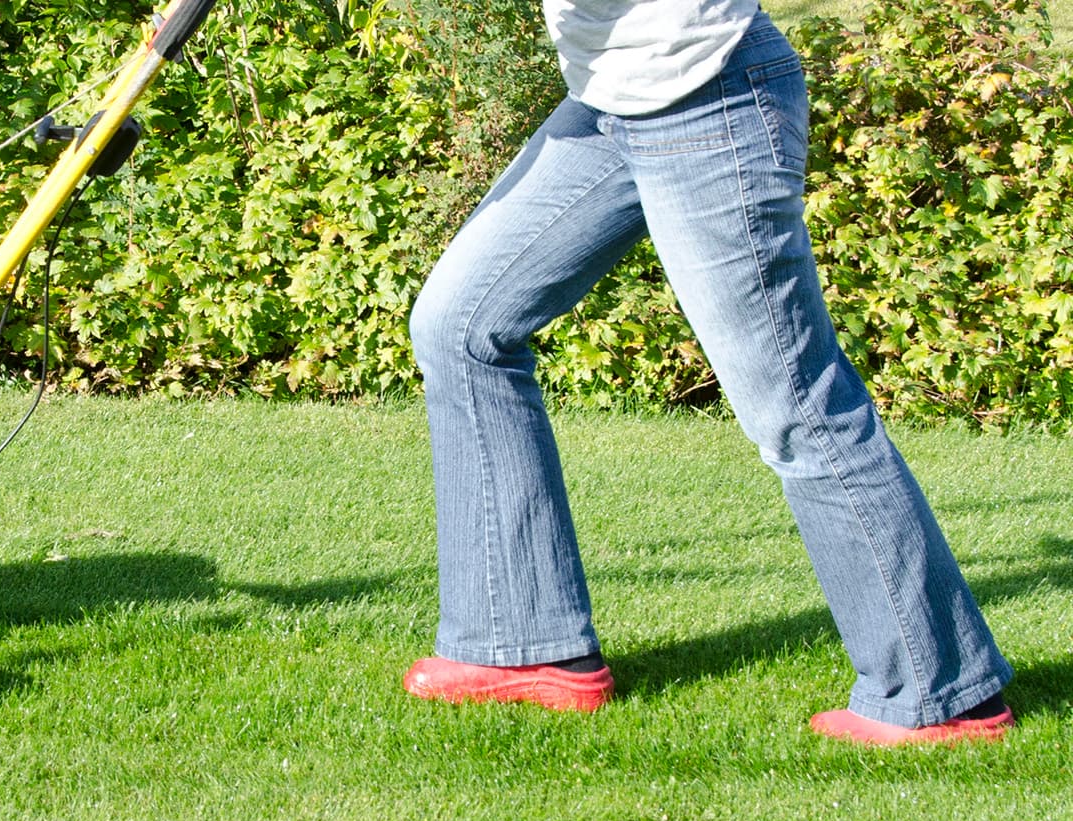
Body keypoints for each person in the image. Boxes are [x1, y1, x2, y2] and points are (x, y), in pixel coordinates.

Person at [401, 0, 1013, 745]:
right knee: (461, 326)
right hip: (609, 99)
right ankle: (522, 644)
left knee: (794, 405)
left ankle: (942, 691)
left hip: (710, 91)